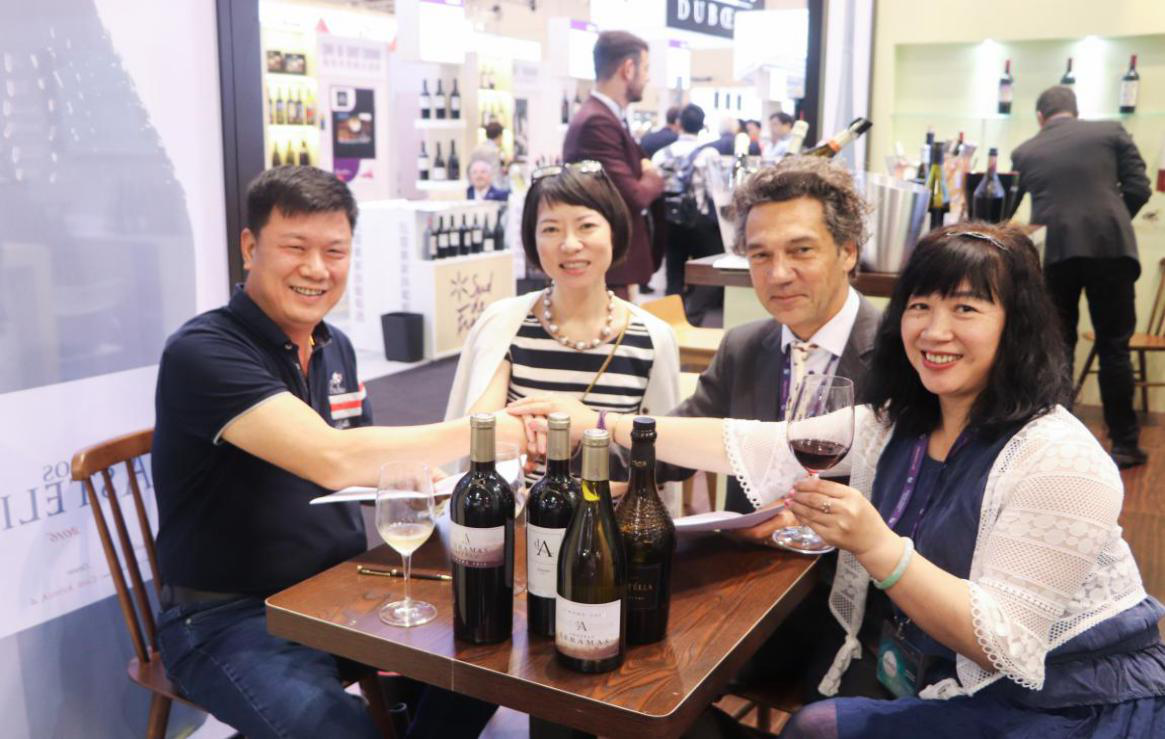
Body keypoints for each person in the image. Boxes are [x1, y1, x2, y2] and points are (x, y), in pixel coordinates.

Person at [517, 224, 1165, 737]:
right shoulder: (898, 422)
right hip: (923, 656)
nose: (934, 330)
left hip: (1064, 696)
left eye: (965, 308)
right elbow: (751, 441)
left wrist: (876, 545)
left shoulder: (1059, 458)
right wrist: (598, 422)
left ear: (1015, 325)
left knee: (815, 724)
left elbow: (1005, 643)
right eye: (919, 306)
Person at [151, 166, 519, 739]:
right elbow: (334, 457)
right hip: (228, 613)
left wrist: (413, 478)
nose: (316, 269)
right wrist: (486, 431)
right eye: (295, 248)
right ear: (249, 247)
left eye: (335, 251)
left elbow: (362, 467)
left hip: (340, 588)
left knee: (493, 641)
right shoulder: (204, 352)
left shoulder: (334, 345)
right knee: (333, 729)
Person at [445, 161, 681, 505]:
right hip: (520, 520)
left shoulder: (651, 337)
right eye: (551, 229)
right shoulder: (506, 324)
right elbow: (476, 436)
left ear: (614, 230)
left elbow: (664, 461)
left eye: (586, 226)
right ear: (532, 239)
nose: (570, 244)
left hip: (612, 524)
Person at [1011, 85, 1152, 468]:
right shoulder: (1111, 131)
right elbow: (1140, 188)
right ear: (1075, 110)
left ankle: (1059, 441)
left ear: (1040, 117)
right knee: (1115, 346)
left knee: (1058, 346)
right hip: (1112, 248)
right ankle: (1125, 444)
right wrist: (1110, 220)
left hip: (1055, 251)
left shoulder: (1025, 151)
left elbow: (1008, 208)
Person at [563, 30, 665, 300]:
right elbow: (633, 195)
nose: (648, 77)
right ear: (628, 69)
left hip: (616, 268)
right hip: (609, 269)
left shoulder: (608, 117)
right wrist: (653, 176)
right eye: (645, 68)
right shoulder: (597, 122)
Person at [652, 102, 724, 324]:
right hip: (700, 221)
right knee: (707, 271)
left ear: (679, 124)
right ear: (702, 126)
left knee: (673, 272)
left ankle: (671, 323)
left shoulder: (661, 154)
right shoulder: (709, 153)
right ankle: (694, 318)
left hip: (671, 221)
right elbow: (716, 189)